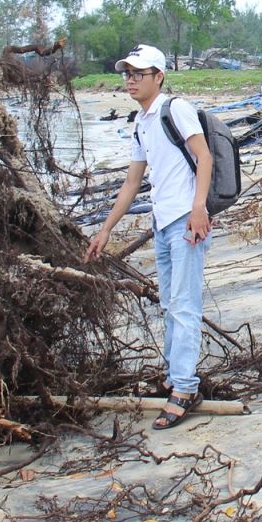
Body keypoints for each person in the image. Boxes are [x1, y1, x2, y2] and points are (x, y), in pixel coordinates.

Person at [83, 44, 212, 430]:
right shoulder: (142, 122)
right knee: (170, 304)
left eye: (139, 73)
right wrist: (106, 229)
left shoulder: (176, 109)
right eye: (127, 73)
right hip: (162, 222)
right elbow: (132, 181)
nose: (130, 80)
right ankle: (175, 378)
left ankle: (185, 389)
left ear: (159, 76)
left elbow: (204, 158)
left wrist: (199, 208)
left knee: (184, 304)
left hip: (186, 220)